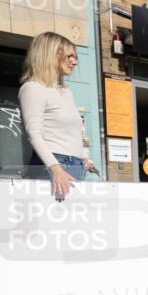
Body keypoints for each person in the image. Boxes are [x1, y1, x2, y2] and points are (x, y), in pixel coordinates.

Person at [18, 31, 93, 200]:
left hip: (76, 165)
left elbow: (75, 133)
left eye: (76, 57)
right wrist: (56, 168)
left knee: (73, 222)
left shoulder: (66, 92)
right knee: (49, 223)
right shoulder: (33, 88)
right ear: (51, 55)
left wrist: (84, 157)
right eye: (70, 56)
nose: (74, 62)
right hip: (52, 166)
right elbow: (34, 135)